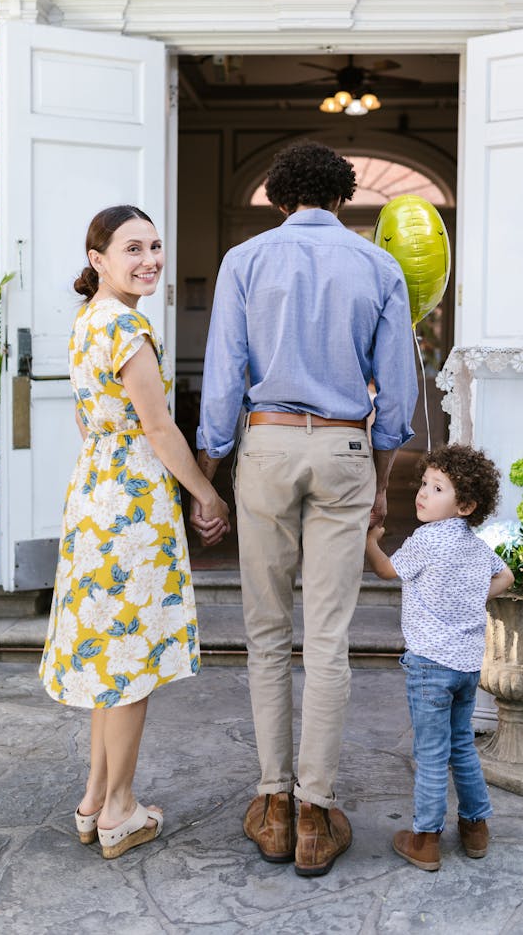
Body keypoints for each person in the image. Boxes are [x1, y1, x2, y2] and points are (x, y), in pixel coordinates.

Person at [192, 142, 417, 877]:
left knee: (264, 631)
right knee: (329, 637)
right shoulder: (379, 266)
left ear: (278, 196)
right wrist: (383, 477)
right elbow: (397, 395)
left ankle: (272, 803)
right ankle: (317, 811)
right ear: (343, 197)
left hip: (267, 447)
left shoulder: (245, 260)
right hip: (347, 451)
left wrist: (207, 474)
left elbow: (224, 376)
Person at [40, 205, 229, 860]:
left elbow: (90, 426)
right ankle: (120, 810)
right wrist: (207, 493)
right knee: (129, 666)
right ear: (98, 260)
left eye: (155, 246)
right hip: (130, 514)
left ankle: (96, 797)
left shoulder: (88, 322)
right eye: (133, 248)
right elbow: (159, 428)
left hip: (94, 497)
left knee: (110, 661)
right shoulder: (127, 328)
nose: (150, 258)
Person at [365, 444, 514, 871]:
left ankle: (425, 839)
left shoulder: (427, 539)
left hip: (430, 666)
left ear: (465, 505)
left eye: (438, 488)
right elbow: (506, 576)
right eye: (425, 485)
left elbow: (387, 571)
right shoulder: (475, 545)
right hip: (467, 666)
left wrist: (369, 542)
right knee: (462, 747)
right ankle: (475, 829)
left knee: (430, 753)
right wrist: (470, 600)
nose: (423, 494)